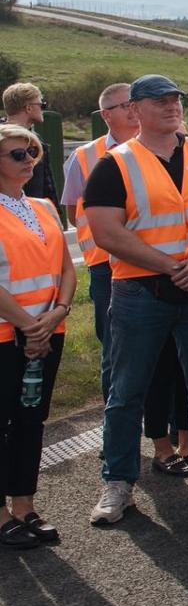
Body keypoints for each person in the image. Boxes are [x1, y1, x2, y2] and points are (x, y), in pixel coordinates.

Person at [84, 74, 188, 527]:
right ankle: (118, 482)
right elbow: (106, 233)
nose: (171, 106)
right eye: (159, 101)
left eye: (176, 99)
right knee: (127, 392)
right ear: (135, 110)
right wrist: (171, 265)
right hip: (142, 292)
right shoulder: (114, 164)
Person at [0, 123, 75, 548]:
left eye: (31, 152)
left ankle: (25, 504)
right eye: (16, 154)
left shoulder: (44, 205)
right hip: (8, 332)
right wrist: (29, 325)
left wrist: (59, 311)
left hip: (49, 328)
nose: (28, 159)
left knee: (32, 418)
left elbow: (65, 267)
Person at [62, 82, 137, 398]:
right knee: (114, 350)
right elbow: (71, 211)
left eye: (136, 103)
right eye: (125, 105)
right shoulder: (84, 157)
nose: (133, 110)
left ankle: (170, 427)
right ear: (106, 114)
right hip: (106, 267)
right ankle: (115, 433)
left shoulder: (163, 147)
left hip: (156, 261)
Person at [0, 83, 55, 200]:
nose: (43, 109)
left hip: (35, 212)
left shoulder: (38, 142)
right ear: (28, 108)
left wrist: (52, 214)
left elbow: (47, 189)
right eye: (41, 105)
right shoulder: (1, 141)